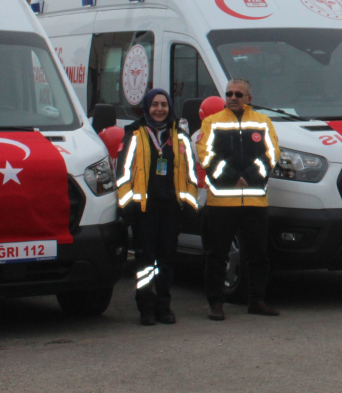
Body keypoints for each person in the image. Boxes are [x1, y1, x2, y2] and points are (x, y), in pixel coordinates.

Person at [197, 79, 281, 321]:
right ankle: (215, 303)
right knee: (217, 255)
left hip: (255, 202)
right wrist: (233, 177)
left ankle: (257, 301)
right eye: (229, 93)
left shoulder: (262, 122)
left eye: (238, 94)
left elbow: (272, 152)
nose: (233, 97)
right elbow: (205, 154)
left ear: (249, 99)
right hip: (221, 203)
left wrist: (251, 176)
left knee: (258, 255)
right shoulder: (212, 122)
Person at [116, 88, 199, 326]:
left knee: (166, 260)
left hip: (171, 208)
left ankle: (164, 306)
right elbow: (122, 174)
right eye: (155, 104)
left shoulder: (181, 137)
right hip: (144, 209)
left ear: (170, 107)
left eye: (164, 104)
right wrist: (127, 205)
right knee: (145, 261)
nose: (159, 109)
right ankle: (146, 307)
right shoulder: (134, 134)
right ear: (147, 107)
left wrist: (190, 205)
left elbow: (191, 174)